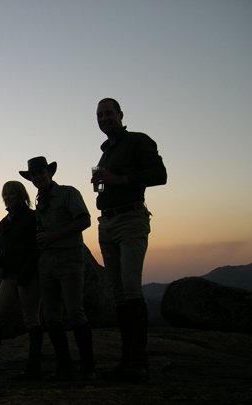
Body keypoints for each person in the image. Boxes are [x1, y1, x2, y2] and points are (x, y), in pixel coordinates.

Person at [91, 98, 167, 383]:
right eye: (99, 115)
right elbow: (109, 181)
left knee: (132, 287)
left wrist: (119, 180)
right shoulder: (105, 152)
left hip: (130, 219)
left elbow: (160, 175)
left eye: (108, 113)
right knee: (118, 292)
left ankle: (140, 362)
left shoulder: (137, 142)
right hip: (107, 223)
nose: (104, 118)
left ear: (120, 115)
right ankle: (126, 361)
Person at [20, 157, 95, 381]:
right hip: (46, 261)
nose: (38, 177)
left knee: (74, 311)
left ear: (49, 173)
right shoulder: (40, 201)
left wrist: (54, 236)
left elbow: (85, 220)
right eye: (34, 175)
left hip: (69, 256)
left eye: (41, 172)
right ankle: (65, 366)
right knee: (51, 316)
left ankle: (88, 367)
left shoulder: (68, 193)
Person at [0, 180, 42, 380]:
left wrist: (28, 272)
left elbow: (37, 247)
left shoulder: (32, 217)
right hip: (10, 275)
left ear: (21, 195)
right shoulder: (4, 223)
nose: (7, 197)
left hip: (28, 275)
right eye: (5, 194)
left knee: (31, 319)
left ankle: (34, 368)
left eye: (11, 193)